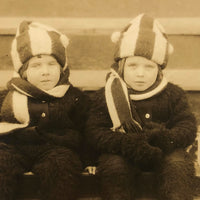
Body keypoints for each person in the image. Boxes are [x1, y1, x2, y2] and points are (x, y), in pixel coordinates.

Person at [85, 13, 197, 200]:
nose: (140, 74)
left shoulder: (173, 94)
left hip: (164, 151)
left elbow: (187, 126)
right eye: (133, 66)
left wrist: (165, 137)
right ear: (120, 67)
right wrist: (127, 143)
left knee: (178, 165)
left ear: (159, 70)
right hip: (124, 151)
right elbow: (95, 132)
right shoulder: (107, 95)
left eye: (148, 67)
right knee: (114, 167)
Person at [0, 21, 89, 200]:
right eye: (36, 66)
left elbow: (87, 131)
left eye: (51, 64)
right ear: (23, 72)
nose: (45, 72)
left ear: (62, 68)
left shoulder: (74, 97)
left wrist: (90, 161)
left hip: (56, 148)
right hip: (14, 146)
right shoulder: (7, 97)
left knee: (62, 167)